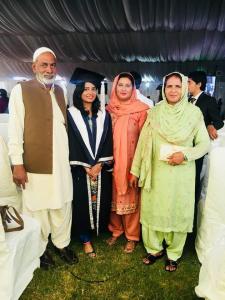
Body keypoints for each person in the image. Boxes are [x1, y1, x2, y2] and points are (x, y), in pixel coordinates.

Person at [130, 72, 209, 271]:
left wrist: (185, 155)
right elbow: (142, 143)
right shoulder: (154, 112)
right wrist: (136, 170)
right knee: (154, 208)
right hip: (156, 172)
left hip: (181, 173)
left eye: (177, 86)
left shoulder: (194, 113)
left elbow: (204, 145)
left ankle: (174, 252)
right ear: (164, 89)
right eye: (169, 86)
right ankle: (154, 248)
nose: (173, 90)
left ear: (184, 88)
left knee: (177, 209)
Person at [8, 47, 77, 269]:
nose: (49, 69)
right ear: (34, 66)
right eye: (44, 64)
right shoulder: (21, 90)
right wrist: (17, 163)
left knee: (62, 204)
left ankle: (61, 243)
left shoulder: (60, 90)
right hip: (35, 164)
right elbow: (14, 130)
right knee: (37, 208)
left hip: (60, 162)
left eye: (52, 65)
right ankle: (39, 250)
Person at [67, 76, 113, 257]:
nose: (90, 92)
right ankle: (85, 239)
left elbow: (108, 139)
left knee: (100, 199)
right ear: (79, 92)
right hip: (81, 168)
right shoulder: (71, 114)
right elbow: (72, 141)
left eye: (93, 89)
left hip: (99, 168)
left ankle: (97, 228)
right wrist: (86, 166)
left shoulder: (103, 114)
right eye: (86, 89)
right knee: (81, 203)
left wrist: (100, 164)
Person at [106, 72, 149, 253]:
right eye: (120, 85)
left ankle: (132, 236)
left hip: (131, 162)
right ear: (115, 87)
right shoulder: (109, 109)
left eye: (127, 85)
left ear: (133, 89)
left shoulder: (142, 109)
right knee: (113, 197)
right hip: (111, 162)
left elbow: (144, 141)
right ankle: (116, 230)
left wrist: (137, 168)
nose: (123, 88)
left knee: (131, 197)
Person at [188, 71, 224, 203]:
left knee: (195, 179)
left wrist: (209, 125)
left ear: (199, 84)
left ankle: (194, 209)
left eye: (189, 82)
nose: (187, 85)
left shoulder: (209, 100)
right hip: (185, 145)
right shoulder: (187, 100)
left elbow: (219, 122)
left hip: (198, 147)